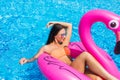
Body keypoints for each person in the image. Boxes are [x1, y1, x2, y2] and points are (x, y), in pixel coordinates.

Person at [19, 21, 118, 80]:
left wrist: (55, 23)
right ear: (55, 35)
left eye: (64, 34)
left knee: (98, 79)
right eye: (62, 34)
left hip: (78, 67)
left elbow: (69, 25)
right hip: (70, 71)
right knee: (85, 55)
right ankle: (111, 78)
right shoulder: (46, 48)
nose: (64, 36)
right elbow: (35, 57)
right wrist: (26, 60)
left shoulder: (64, 44)